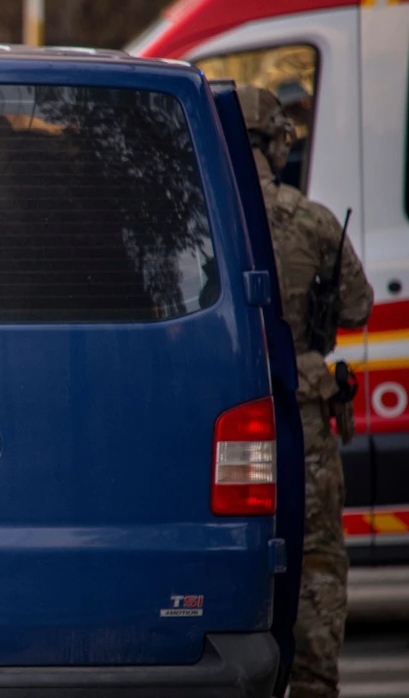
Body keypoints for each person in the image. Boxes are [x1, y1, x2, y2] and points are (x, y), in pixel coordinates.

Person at [237, 84, 373, 698]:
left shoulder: (202, 220)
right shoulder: (311, 219)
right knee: (315, 558)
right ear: (275, 144)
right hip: (304, 420)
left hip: (223, 417)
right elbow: (359, 306)